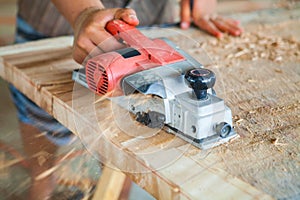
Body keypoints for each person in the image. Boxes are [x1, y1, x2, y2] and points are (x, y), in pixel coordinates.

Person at [12, 0, 243, 199]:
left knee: (124, 145)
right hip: (55, 23)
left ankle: (118, 192)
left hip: (150, 16)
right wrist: (83, 12)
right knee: (41, 115)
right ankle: (42, 181)